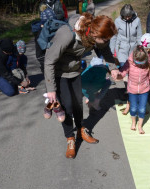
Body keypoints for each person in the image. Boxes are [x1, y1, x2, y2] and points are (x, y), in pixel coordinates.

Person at [44, 13, 119, 159]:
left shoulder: (94, 36)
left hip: (75, 71)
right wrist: (51, 89)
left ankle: (80, 129)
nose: (105, 42)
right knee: (67, 107)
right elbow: (49, 61)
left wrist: (113, 67)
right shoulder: (67, 34)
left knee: (78, 104)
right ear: (95, 33)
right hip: (59, 73)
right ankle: (70, 138)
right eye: (104, 39)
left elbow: (105, 50)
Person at [118, 46, 150, 134]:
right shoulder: (129, 62)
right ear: (134, 58)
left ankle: (140, 126)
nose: (140, 65)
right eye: (138, 63)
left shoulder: (149, 63)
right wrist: (118, 75)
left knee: (142, 109)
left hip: (144, 90)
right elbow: (123, 71)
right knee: (133, 108)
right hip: (132, 90)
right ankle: (133, 122)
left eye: (142, 63)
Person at [110, 4, 142, 115]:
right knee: (125, 73)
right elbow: (114, 37)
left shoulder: (137, 20)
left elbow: (139, 36)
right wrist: (112, 51)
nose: (127, 18)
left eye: (129, 16)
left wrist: (140, 49)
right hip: (122, 51)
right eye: (125, 16)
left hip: (134, 50)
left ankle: (132, 93)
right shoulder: (117, 21)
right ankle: (129, 93)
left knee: (133, 73)